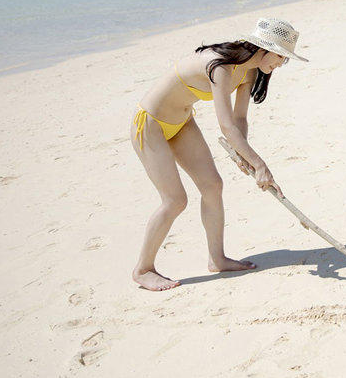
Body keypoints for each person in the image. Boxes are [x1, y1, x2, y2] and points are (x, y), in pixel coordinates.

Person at [129, 17, 308, 291]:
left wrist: (243, 155)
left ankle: (217, 259)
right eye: (280, 56)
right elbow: (225, 126)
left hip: (181, 123)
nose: (281, 64)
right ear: (263, 48)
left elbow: (239, 120)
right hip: (150, 124)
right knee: (175, 200)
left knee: (213, 186)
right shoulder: (222, 67)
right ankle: (143, 269)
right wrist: (260, 165)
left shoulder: (250, 71)